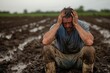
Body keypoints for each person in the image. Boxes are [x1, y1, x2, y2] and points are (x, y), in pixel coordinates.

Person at [42, 7, 95, 73]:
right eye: (65, 23)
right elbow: (45, 41)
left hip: (78, 59)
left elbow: (89, 42)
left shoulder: (82, 25)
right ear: (61, 20)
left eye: (70, 23)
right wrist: (58, 24)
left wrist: (76, 24)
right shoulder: (57, 26)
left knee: (89, 49)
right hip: (61, 59)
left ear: (74, 19)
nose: (67, 26)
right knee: (47, 48)